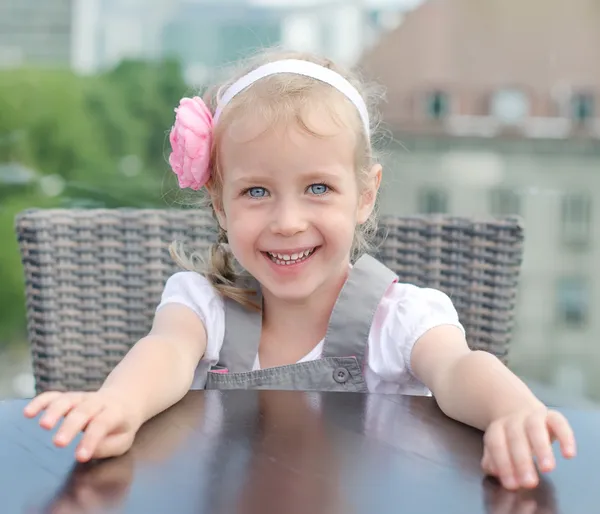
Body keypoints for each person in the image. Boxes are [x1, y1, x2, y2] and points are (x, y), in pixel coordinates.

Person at [24, 50, 576, 491]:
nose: (288, 222)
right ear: (220, 204)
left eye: (318, 188)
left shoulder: (400, 317)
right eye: (256, 191)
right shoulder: (201, 305)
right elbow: (165, 354)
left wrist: (512, 410)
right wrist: (117, 403)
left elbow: (457, 370)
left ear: (364, 194)